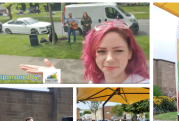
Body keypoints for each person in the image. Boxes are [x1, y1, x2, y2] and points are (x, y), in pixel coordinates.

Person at [19, 20, 150, 84]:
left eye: (118, 51)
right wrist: (53, 79)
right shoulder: (94, 83)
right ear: (94, 55)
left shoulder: (145, 85)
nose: (109, 59)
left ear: (130, 53)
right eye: (102, 51)